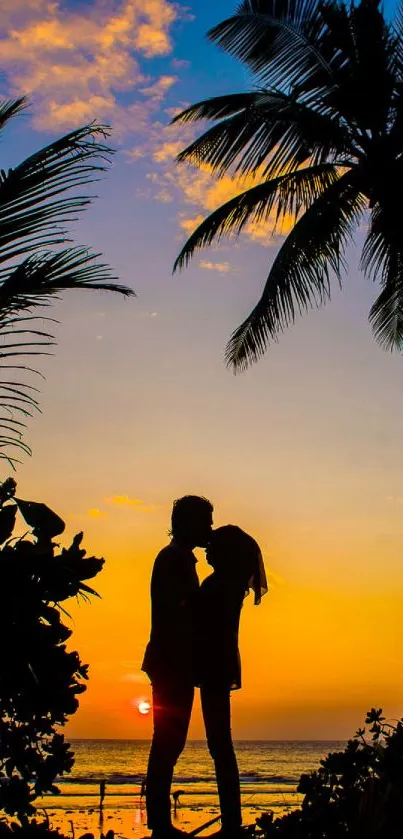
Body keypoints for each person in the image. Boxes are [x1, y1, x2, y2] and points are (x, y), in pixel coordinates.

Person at [141, 495, 214, 839]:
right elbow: (178, 611)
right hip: (171, 662)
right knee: (167, 741)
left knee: (170, 741)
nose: (210, 528)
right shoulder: (173, 559)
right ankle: (158, 823)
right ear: (189, 523)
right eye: (206, 521)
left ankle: (158, 821)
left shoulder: (180, 558)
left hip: (174, 661)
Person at [196, 525, 267, 838]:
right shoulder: (230, 584)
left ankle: (231, 824)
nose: (207, 548)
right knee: (221, 744)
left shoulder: (220, 585)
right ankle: (231, 821)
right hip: (219, 663)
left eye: (214, 545)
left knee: (220, 744)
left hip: (214, 664)